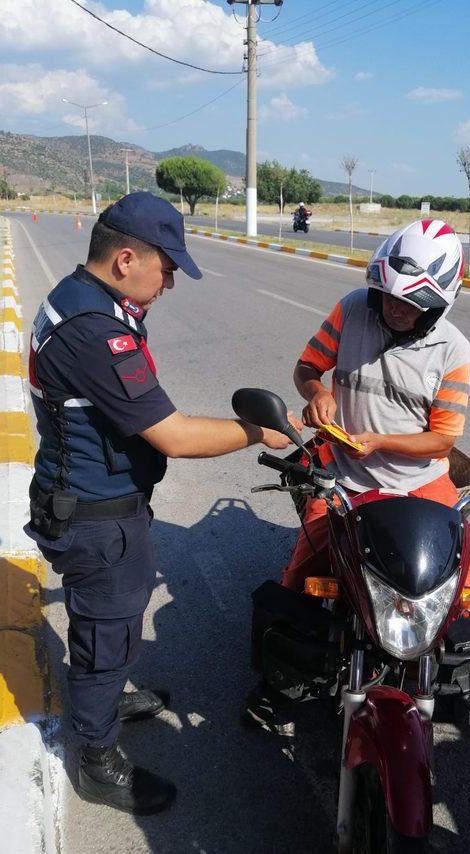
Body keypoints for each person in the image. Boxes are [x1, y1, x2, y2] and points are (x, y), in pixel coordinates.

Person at [25, 192, 295, 815]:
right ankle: (96, 757)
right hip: (96, 515)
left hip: (90, 499)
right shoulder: (96, 332)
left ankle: (104, 695)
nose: (170, 281)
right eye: (166, 268)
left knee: (111, 620)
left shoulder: (78, 297)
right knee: (107, 633)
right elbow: (171, 434)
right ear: (125, 259)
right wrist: (259, 432)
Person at [276, 219, 470, 757]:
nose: (392, 309)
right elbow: (306, 366)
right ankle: (278, 684)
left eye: (408, 304)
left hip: (420, 485)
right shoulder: (350, 309)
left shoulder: (454, 351)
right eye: (386, 295)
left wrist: (378, 441)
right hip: (345, 478)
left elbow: (442, 440)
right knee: (300, 575)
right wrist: (316, 393)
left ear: (437, 306)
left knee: (466, 594)